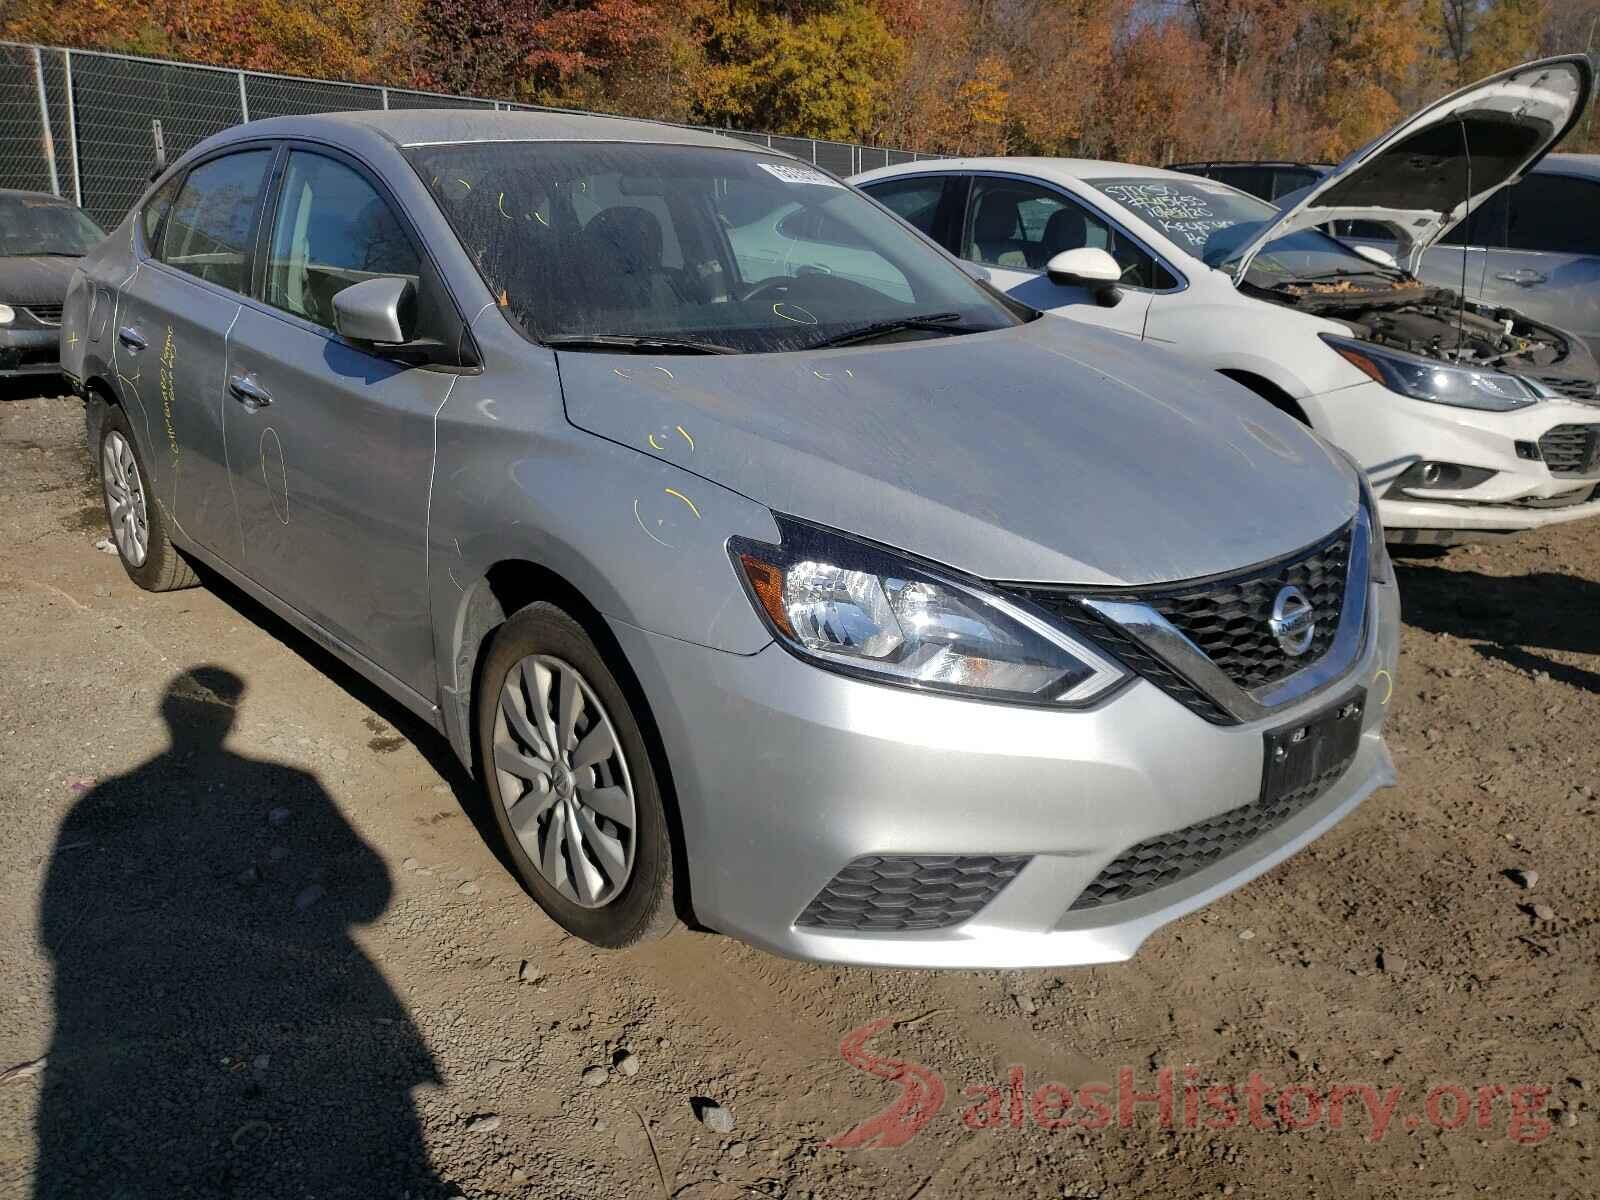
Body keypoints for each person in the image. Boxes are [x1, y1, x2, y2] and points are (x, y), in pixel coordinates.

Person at [36, 666, 447, 1197]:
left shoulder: (96, 803)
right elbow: (372, 898)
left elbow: (57, 934)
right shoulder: (292, 785)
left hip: (133, 1031)